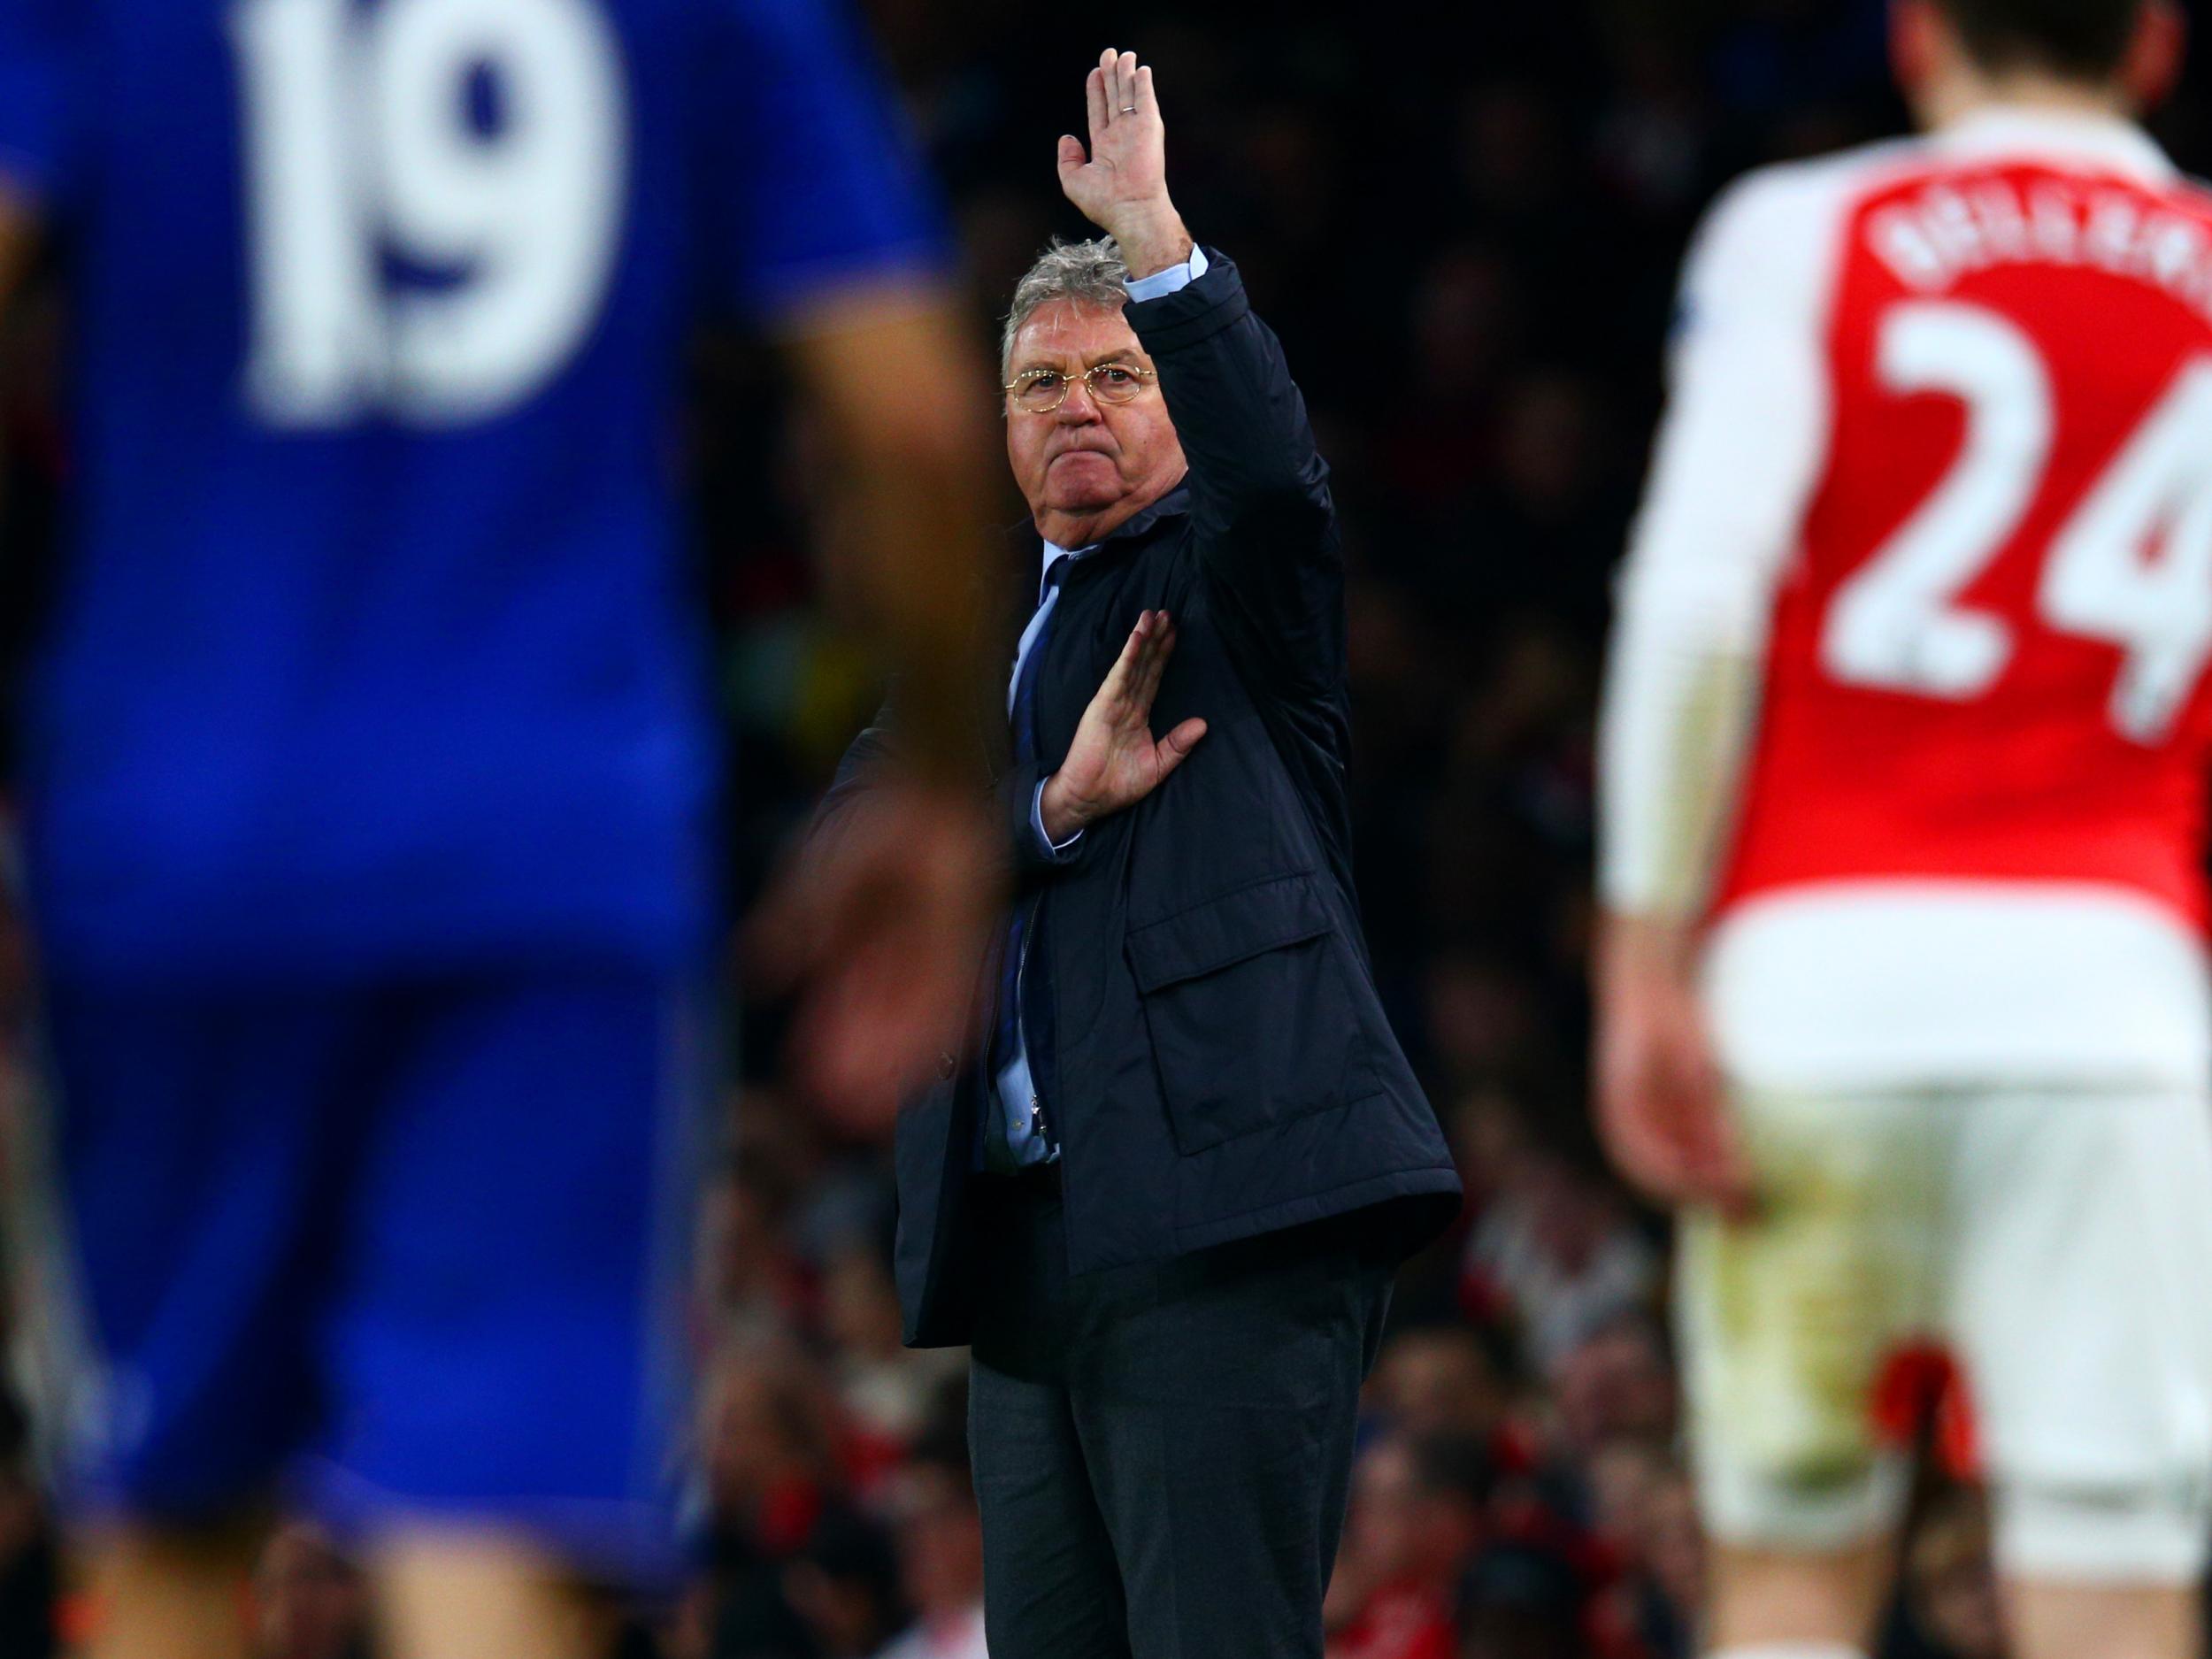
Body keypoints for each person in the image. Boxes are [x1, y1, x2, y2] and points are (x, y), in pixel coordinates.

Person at [0, 1, 1004, 1655]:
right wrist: (946, 784)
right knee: (490, 1539)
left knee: (171, 1529)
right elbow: (909, 423)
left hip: (180, 828)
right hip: (550, 847)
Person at [818, 48, 1461, 1658]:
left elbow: (1274, 476)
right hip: (1029, 1253)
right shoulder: (970, 638)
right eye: (1044, 384)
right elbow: (865, 846)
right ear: (1002, 424)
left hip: (1225, 1215)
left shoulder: (1235, 579)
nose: (1080, 408)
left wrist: (1163, 248)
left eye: (1118, 375)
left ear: (1169, 398)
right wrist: (1045, 810)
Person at [1595, 3, 2212, 1658]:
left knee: (1792, 1584)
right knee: (2114, 1580)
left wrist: (1642, 952)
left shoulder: (1809, 233)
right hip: (2116, 1014)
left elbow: (1695, 600)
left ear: (1918, 32)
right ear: (2153, 46)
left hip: (1813, 996)